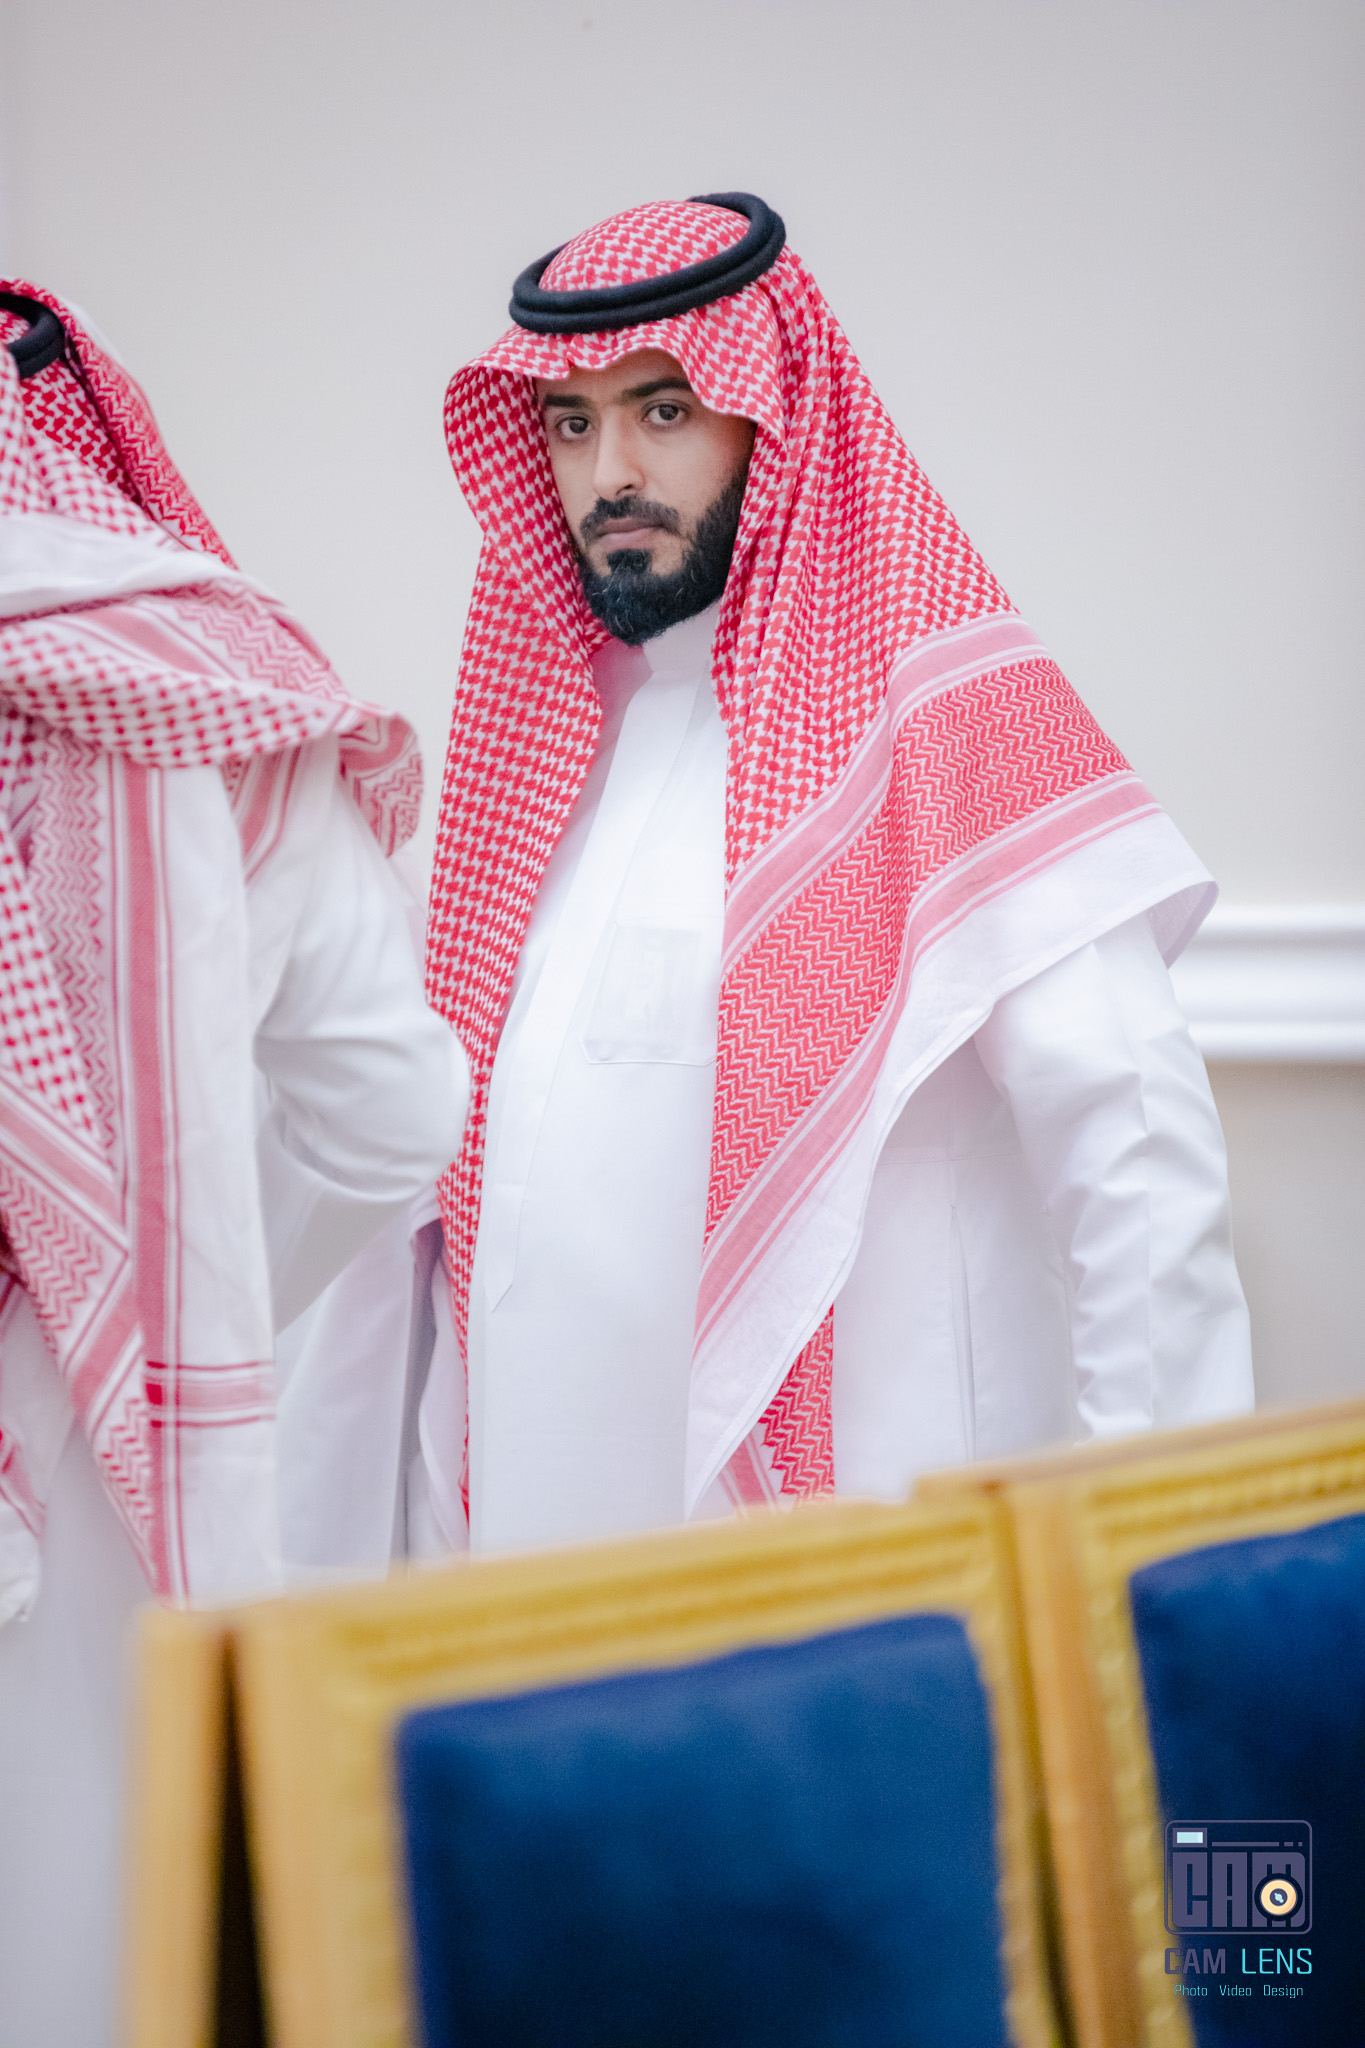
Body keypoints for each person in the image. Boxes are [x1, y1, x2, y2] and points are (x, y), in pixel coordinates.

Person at [418, 193, 1253, 1559]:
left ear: (774, 417)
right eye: (569, 423)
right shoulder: (546, 767)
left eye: (663, 409)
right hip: (550, 1574)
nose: (609, 471)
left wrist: (1156, 1560)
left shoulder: (947, 725)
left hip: (877, 1553)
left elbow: (1137, 1159)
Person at [0, 285, 468, 2044]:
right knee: (100, 1937)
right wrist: (153, 1310)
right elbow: (390, 1114)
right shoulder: (220, 696)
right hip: (98, 1466)